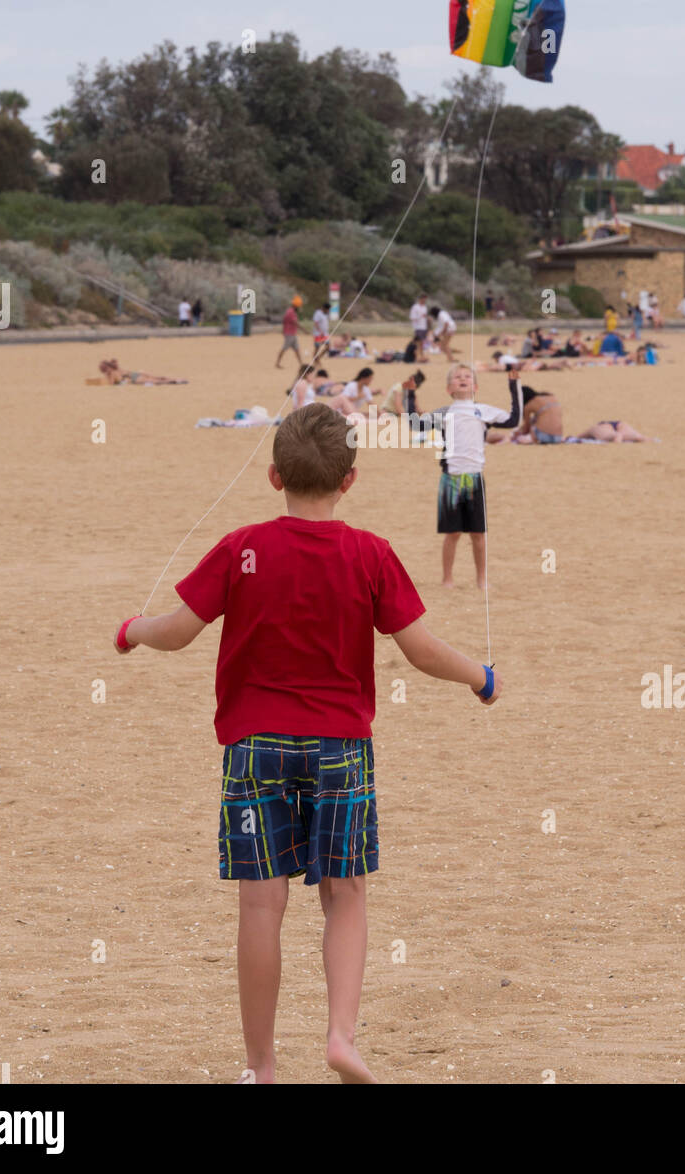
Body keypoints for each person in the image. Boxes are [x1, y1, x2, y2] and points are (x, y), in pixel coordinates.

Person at [113, 404, 502, 1085]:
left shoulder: (243, 548)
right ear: (348, 481)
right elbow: (420, 651)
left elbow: (177, 631)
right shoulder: (368, 552)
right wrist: (481, 677)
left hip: (255, 746)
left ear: (273, 476)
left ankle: (261, 1069)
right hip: (340, 750)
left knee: (262, 903)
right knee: (344, 892)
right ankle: (340, 1038)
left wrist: (132, 629)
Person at [429, 364, 521, 589]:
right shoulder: (444, 413)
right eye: (457, 377)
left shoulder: (483, 410)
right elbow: (414, 423)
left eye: (467, 377)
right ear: (449, 388)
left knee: (478, 534)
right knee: (452, 533)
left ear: (475, 386)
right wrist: (410, 395)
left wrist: (513, 385)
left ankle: (481, 579)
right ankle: (447, 578)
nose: (462, 379)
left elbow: (513, 420)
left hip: (475, 479)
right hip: (451, 478)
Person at [98, 359, 188, 385]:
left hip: (133, 378)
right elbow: (115, 361)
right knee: (158, 377)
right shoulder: (117, 369)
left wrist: (107, 376)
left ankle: (175, 381)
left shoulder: (113, 373)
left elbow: (112, 383)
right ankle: (177, 379)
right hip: (136, 373)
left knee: (156, 381)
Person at [275, 297, 303, 369]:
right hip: (289, 333)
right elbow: (295, 323)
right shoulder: (291, 312)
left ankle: (301, 364)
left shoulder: (290, 311)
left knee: (297, 349)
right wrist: (305, 330)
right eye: (299, 306)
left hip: (292, 333)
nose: (299, 308)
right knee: (284, 348)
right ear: (296, 306)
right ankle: (277, 363)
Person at [410, 293, 429, 362]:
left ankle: (422, 357)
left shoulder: (425, 307)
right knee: (418, 343)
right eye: (423, 298)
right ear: (420, 299)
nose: (424, 300)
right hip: (418, 327)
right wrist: (421, 316)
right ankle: (416, 358)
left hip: (424, 327)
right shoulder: (415, 307)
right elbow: (412, 318)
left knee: (421, 343)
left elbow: (425, 317)